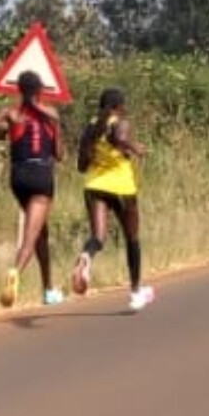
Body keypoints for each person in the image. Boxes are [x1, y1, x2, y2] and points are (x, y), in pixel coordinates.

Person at [71, 87, 155, 312]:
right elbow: (120, 137)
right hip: (121, 188)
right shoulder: (119, 122)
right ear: (119, 106)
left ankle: (86, 256)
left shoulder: (91, 127)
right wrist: (134, 148)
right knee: (132, 239)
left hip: (94, 186)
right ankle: (135, 292)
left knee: (98, 237)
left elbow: (81, 166)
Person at [0, 69, 64, 309]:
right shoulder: (51, 115)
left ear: (19, 89)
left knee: (41, 232)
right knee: (30, 239)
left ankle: (48, 289)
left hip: (19, 177)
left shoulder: (13, 113)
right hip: (41, 176)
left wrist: (2, 114)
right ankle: (15, 272)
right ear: (40, 89)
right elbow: (59, 154)